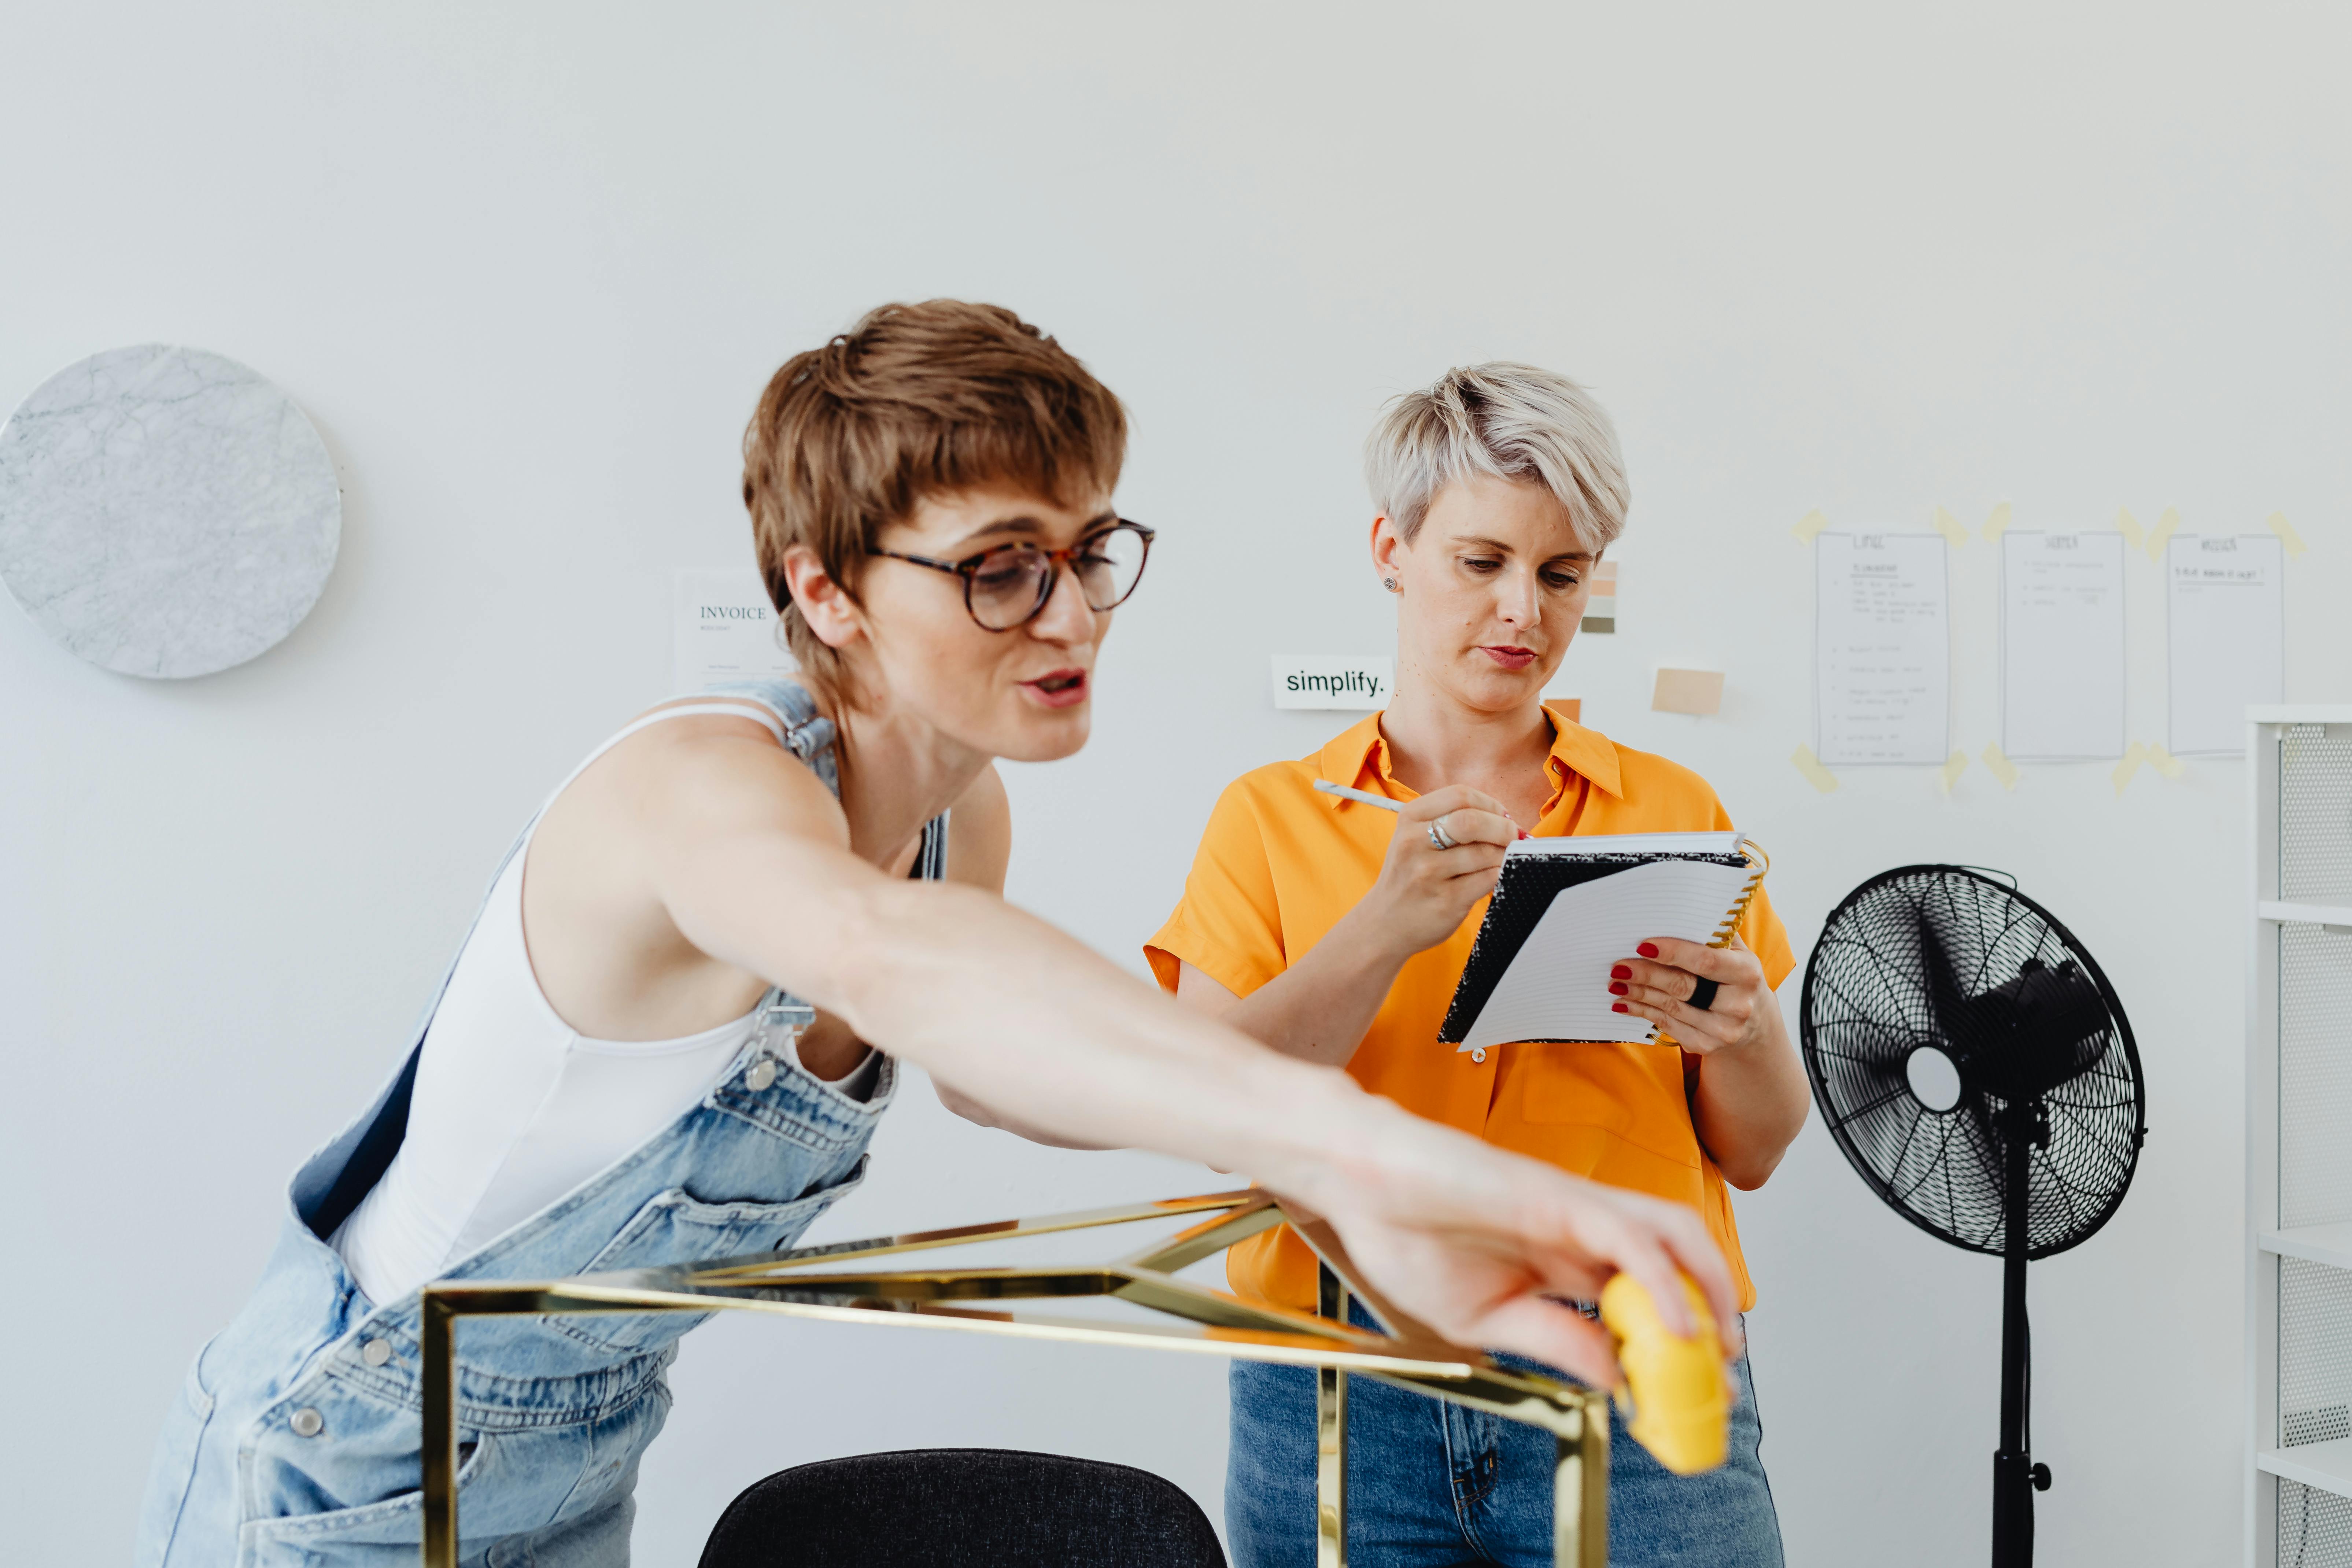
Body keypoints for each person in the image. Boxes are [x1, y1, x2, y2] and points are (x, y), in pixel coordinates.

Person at [134, 306, 1739, 1567]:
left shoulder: (960, 816)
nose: (1073, 615)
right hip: (349, 1465)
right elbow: (903, 963)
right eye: (997, 571)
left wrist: (1328, 1177)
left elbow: (1024, 1068)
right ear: (826, 591)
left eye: (1089, 551)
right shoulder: (699, 788)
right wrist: (1376, 1159)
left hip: (572, 1455)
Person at [1147, 362, 1810, 1568]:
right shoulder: (1270, 816)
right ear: (1389, 547)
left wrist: (1746, 1031)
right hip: (1342, 1370)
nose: (1523, 611)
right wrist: (1383, 924)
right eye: (1480, 561)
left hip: (1632, 1363)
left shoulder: (1671, 807)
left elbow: (1756, 1151)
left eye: (1562, 576)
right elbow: (1216, 1116)